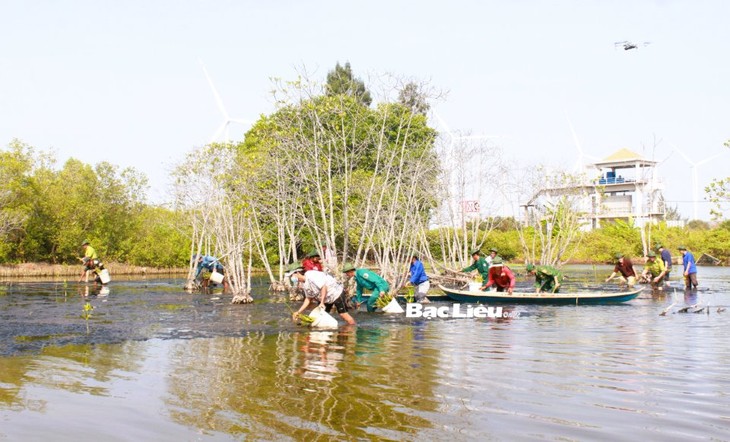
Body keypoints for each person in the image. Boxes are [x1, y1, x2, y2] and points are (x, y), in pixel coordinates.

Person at [291, 267, 356, 325]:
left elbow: (324, 287)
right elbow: (308, 299)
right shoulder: (303, 284)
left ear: (297, 273)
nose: (292, 277)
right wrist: (298, 312)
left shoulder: (311, 275)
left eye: (292, 275)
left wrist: (322, 303)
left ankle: (353, 328)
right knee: (320, 315)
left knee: (343, 314)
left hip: (336, 293)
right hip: (326, 298)